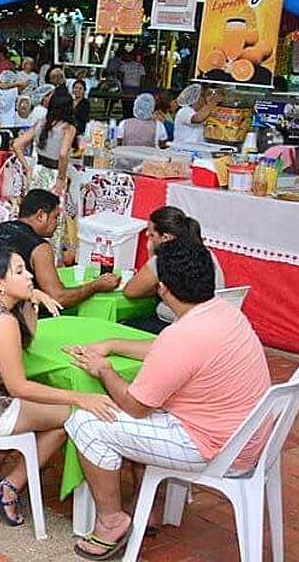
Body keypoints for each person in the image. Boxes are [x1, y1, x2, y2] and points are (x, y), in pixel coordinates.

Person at [63, 239, 271, 560]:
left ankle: (111, 521)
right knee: (127, 412)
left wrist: (103, 370)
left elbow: (134, 405)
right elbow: (169, 352)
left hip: (213, 448)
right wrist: (113, 344)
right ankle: (150, 505)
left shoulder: (182, 335)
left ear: (162, 289)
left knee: (85, 421)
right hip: (249, 440)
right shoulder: (224, 313)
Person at [0, 246, 107, 527]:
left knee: (51, 410)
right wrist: (81, 397)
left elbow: (29, 340)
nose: (29, 276)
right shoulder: (1, 321)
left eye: (27, 270)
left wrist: (29, 299)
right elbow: (19, 387)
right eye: (19, 271)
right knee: (72, 417)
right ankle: (10, 486)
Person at [0, 189, 120, 309]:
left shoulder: (3, 228)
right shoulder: (40, 247)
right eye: (55, 217)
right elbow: (59, 298)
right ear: (41, 215)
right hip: (12, 314)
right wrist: (94, 286)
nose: (57, 223)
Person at [122, 206, 225, 334]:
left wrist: (152, 256)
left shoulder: (165, 258)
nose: (147, 235)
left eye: (152, 234)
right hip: (211, 319)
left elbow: (131, 291)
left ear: (165, 238)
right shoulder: (206, 252)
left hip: (179, 323)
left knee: (125, 325)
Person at [12, 91, 78, 261]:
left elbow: (17, 144)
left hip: (39, 172)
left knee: (33, 216)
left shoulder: (41, 123)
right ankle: (50, 261)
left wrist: (27, 167)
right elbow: (63, 154)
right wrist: (62, 178)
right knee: (53, 220)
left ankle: (27, 256)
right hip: (55, 175)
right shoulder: (68, 129)